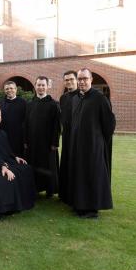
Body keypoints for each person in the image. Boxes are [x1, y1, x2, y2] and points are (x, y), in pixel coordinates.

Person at [67, 68, 116, 218]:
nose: (82, 81)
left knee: (92, 175)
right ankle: (80, 205)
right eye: (80, 79)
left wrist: (99, 140)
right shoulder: (76, 98)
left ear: (91, 79)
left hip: (93, 146)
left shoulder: (99, 98)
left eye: (85, 79)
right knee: (79, 175)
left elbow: (109, 122)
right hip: (77, 146)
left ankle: (92, 209)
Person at [0, 106, 36, 211]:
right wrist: (3, 164)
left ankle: (26, 201)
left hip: (9, 159)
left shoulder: (3, 132)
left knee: (27, 169)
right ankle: (17, 204)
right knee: (16, 172)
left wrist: (16, 157)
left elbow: (8, 149)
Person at [25, 76, 61, 197]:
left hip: (48, 143)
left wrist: (54, 143)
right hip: (33, 142)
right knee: (34, 165)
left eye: (43, 85)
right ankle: (35, 188)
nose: (40, 87)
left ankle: (49, 190)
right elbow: (25, 123)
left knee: (48, 165)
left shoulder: (53, 104)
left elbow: (57, 125)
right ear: (35, 86)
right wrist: (25, 140)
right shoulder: (30, 104)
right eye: (38, 85)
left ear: (47, 86)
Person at [58, 70, 78, 203]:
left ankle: (75, 194)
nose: (69, 82)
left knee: (76, 164)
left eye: (71, 79)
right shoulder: (63, 97)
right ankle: (65, 194)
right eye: (66, 80)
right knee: (66, 163)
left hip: (78, 136)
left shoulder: (80, 96)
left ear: (76, 80)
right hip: (67, 135)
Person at [0, 80, 27, 156]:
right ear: (4, 90)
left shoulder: (23, 103)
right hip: (5, 137)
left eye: (11, 88)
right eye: (7, 89)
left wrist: (25, 140)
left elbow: (27, 121)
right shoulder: (0, 104)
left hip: (19, 138)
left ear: (16, 89)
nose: (9, 90)